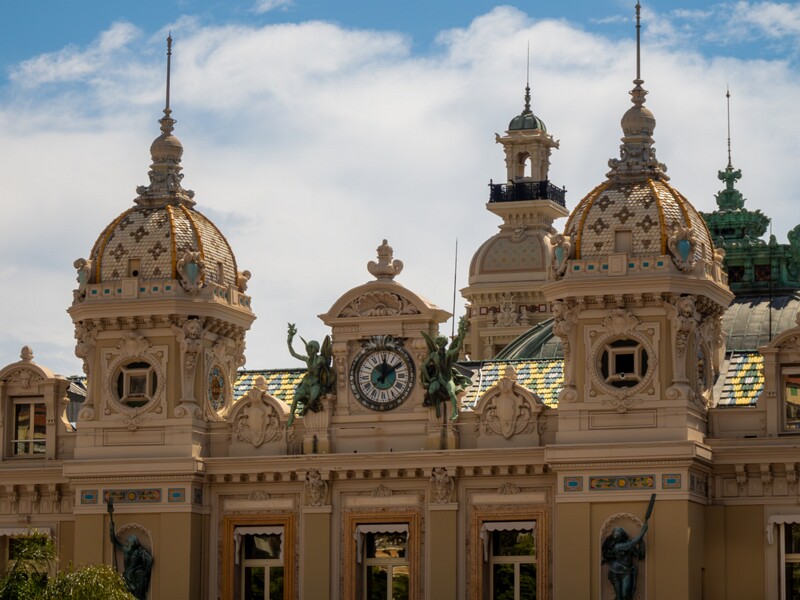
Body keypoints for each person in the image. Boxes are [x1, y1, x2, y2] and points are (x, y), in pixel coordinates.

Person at [420, 317, 471, 421]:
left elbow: (457, 349)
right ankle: (436, 405)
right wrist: (428, 379)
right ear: (438, 343)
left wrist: (461, 338)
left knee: (452, 393)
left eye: (443, 343)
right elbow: (423, 366)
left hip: (448, 379)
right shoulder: (433, 355)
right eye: (440, 343)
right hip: (438, 379)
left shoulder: (448, 354)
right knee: (431, 391)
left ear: (445, 344)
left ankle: (455, 412)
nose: (441, 345)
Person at [286, 323, 336, 426]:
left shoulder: (321, 359)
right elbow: (293, 354)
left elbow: (327, 368)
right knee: (295, 398)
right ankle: (291, 416)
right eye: (307, 349)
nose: (307, 351)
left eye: (309, 349)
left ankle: (307, 407)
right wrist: (289, 341)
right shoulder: (307, 359)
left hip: (316, 383)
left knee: (313, 396)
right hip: (306, 383)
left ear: (315, 349)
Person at [601, 523, 647, 600]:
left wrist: (641, 543)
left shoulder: (628, 544)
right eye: (615, 537)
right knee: (619, 596)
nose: (616, 538)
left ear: (621, 536)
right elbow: (632, 544)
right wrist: (642, 533)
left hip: (627, 571)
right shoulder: (618, 546)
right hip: (615, 571)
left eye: (617, 537)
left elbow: (640, 556)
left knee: (625, 594)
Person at [109, 522, 153, 600]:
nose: (128, 543)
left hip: (137, 575)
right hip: (127, 575)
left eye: (130, 542)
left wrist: (145, 572)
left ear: (135, 543)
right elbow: (114, 540)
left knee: (137, 595)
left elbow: (149, 560)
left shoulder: (140, 551)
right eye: (127, 542)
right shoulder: (126, 550)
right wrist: (111, 528)